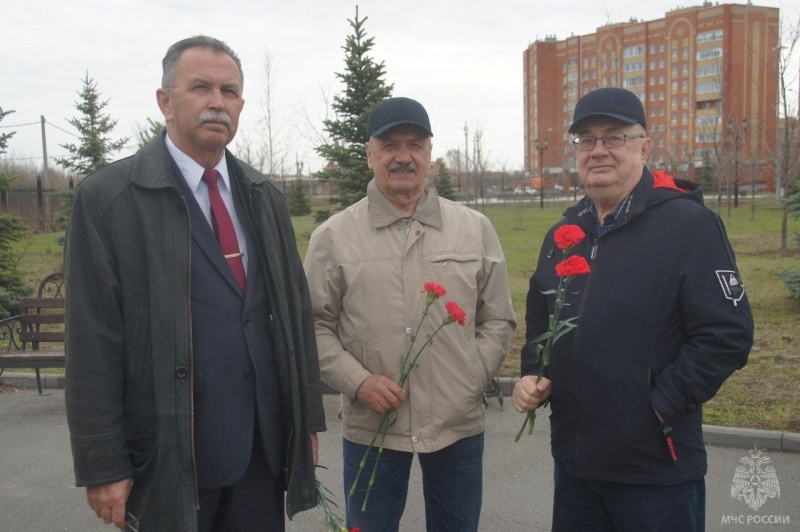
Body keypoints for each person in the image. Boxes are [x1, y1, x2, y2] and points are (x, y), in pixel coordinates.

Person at [64, 35, 325, 531]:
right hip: (168, 454)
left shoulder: (263, 195)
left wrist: (305, 423)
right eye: (200, 87)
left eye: (229, 92)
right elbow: (92, 342)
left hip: (260, 454)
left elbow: (295, 318)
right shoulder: (110, 200)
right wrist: (103, 465)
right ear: (165, 101)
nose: (217, 102)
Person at [512, 87, 754, 531]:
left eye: (614, 137)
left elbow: (727, 333)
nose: (599, 150)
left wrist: (657, 408)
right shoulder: (564, 234)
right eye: (586, 140)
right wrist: (532, 371)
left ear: (644, 147)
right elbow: (541, 322)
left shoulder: (689, 226)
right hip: (575, 464)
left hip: (654, 469)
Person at [304, 97, 516, 532]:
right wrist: (357, 382)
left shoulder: (474, 228)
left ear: (430, 153)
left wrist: (472, 376)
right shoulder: (333, 237)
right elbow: (313, 325)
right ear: (369, 153)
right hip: (372, 426)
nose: (404, 156)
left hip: (457, 425)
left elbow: (498, 319)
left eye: (415, 145)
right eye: (389, 145)